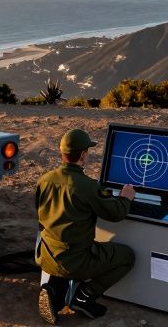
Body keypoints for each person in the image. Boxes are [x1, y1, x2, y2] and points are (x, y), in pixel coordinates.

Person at [35, 128, 136, 323]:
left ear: (62, 152)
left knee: (67, 249)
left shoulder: (44, 180)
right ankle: (84, 295)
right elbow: (116, 214)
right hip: (76, 260)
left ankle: (53, 291)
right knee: (127, 256)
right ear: (83, 155)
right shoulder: (88, 186)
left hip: (47, 256)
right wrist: (125, 199)